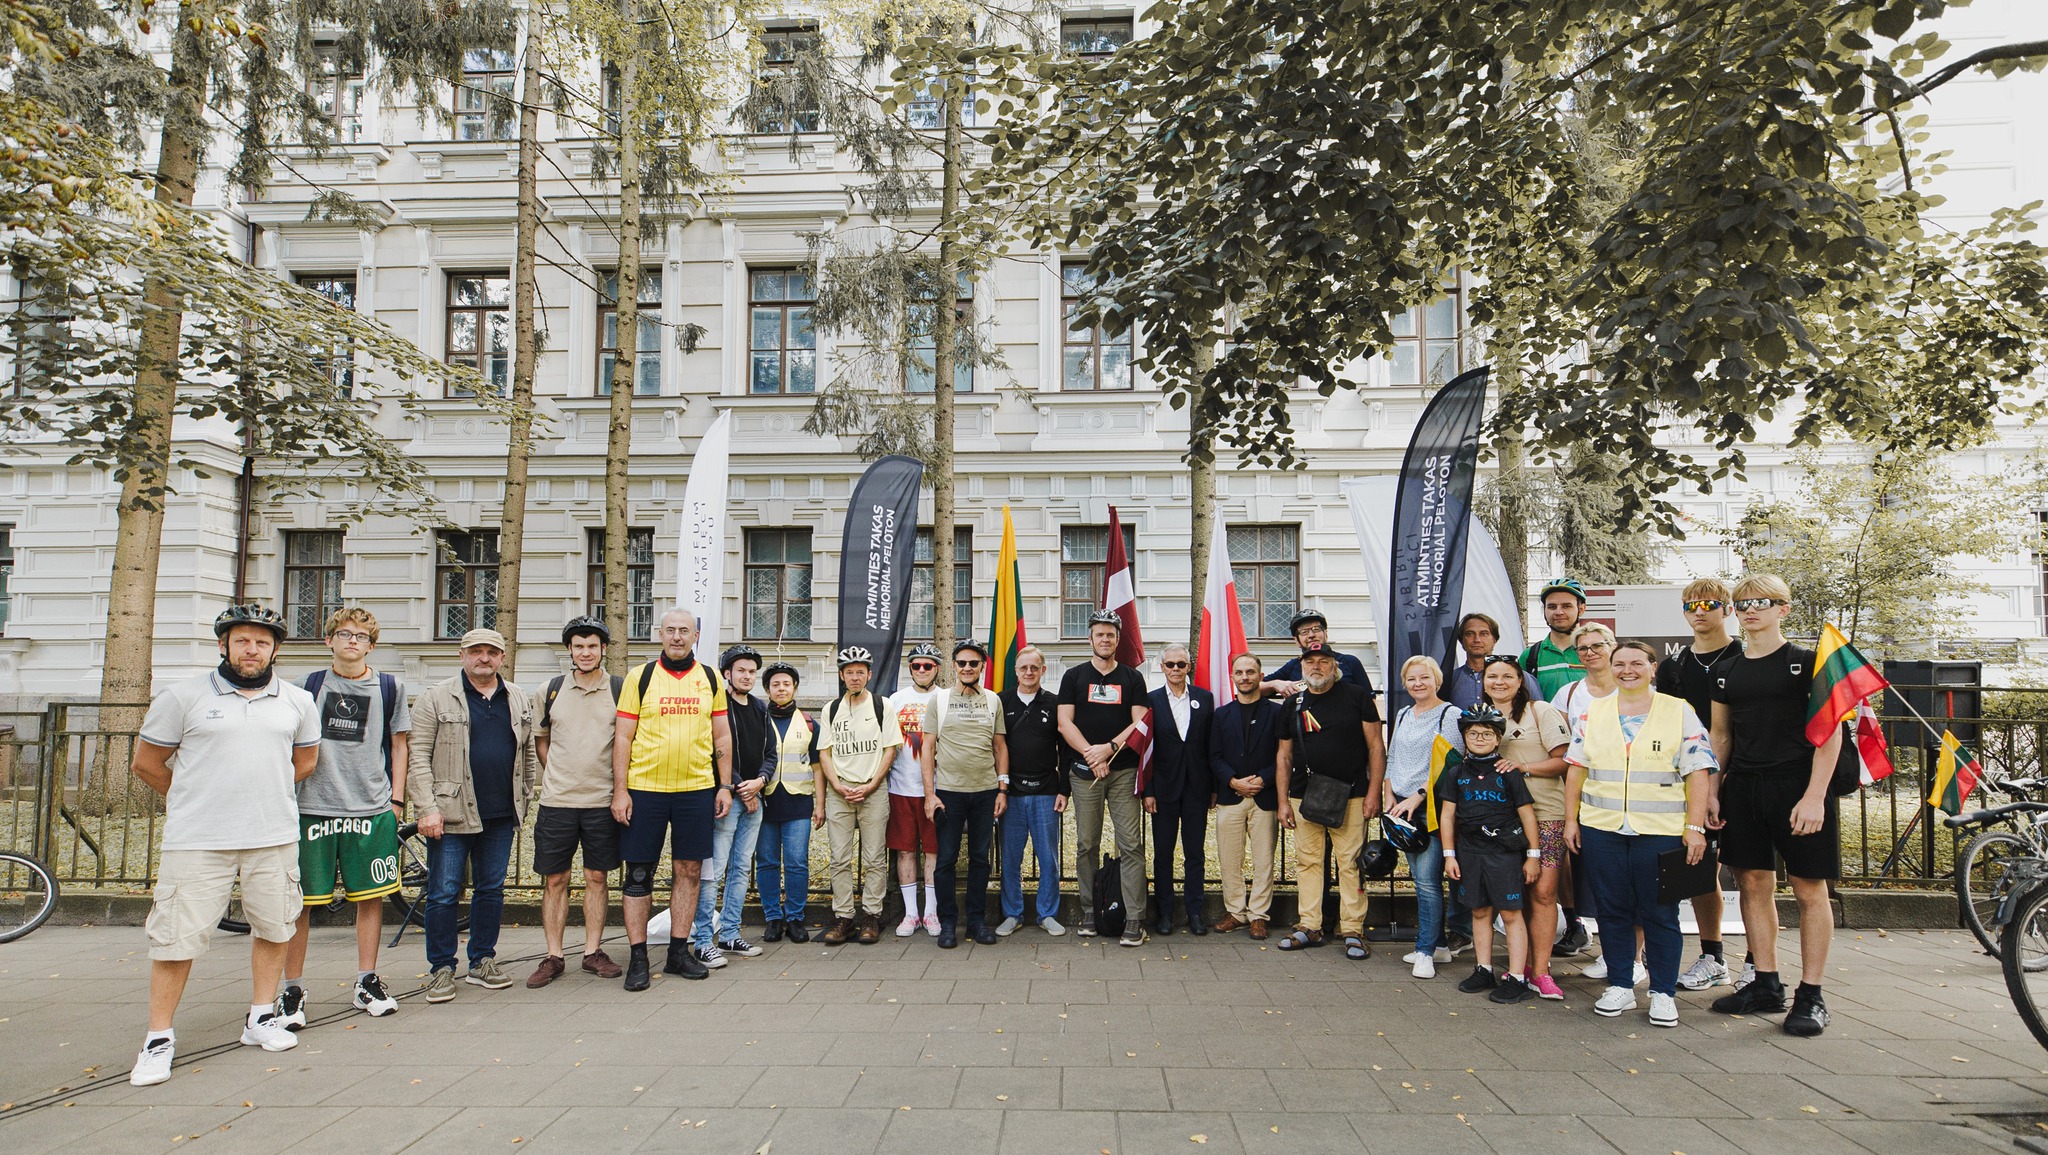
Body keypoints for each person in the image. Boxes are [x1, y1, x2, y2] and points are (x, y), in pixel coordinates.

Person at [128, 605, 320, 1087]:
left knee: (275, 927)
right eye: (242, 641)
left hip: (272, 836)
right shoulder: (183, 697)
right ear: (223, 645)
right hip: (198, 840)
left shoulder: (298, 701)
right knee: (176, 938)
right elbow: (147, 763)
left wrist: (260, 795)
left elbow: (304, 762)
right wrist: (195, 798)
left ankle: (261, 1016)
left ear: (275, 649)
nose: (251, 650)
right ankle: (158, 1039)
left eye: (261, 642)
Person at [1709, 574, 1843, 1037]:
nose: (1750, 610)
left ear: (1783, 608)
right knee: (1751, 883)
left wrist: (1815, 796)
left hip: (1799, 785)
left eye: (1761, 602)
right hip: (1745, 787)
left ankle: (1811, 994)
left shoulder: (1808, 663)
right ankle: (1765, 983)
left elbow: (1830, 734)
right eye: (1742, 603)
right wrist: (1713, 790)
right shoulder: (1726, 669)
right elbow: (1721, 735)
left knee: (1809, 889)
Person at [1564, 640, 1718, 1027]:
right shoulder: (1594, 712)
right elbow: (1576, 769)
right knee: (1611, 909)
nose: (1627, 670)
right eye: (1619, 664)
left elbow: (1698, 772)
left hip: (1660, 831)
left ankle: (1662, 993)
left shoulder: (1678, 711)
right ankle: (1620, 984)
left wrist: (1695, 827)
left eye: (1636, 663)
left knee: (1659, 913)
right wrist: (1571, 820)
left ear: (1653, 668)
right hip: (1603, 828)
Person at [277, 607, 411, 1025]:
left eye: (361, 636)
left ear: (371, 646)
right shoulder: (306, 687)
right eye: (344, 634)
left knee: (370, 898)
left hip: (370, 807)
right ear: (329, 640)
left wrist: (397, 800)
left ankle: (367, 980)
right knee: (300, 903)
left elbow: (400, 744)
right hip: (312, 808)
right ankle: (291, 990)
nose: (353, 641)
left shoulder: (389, 687)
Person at [407, 627, 542, 1003]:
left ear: (502, 658)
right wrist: (426, 809)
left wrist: (524, 797)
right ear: (462, 655)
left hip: (500, 812)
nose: (484, 658)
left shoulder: (516, 696)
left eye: (492, 652)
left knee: (491, 889)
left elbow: (528, 752)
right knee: (444, 892)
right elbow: (418, 756)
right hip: (450, 812)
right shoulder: (436, 697)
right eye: (476, 651)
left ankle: (482, 960)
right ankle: (441, 968)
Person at [613, 608, 734, 990]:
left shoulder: (710, 678)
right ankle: (638, 957)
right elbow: (622, 737)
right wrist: (620, 791)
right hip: (645, 789)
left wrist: (725, 785)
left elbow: (722, 736)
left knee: (690, 871)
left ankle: (678, 953)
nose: (677, 636)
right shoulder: (640, 677)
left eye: (684, 630)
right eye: (671, 630)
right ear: (659, 634)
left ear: (696, 635)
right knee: (638, 873)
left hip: (695, 789)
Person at [525, 616, 625, 988]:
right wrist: (558, 772)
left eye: (592, 646)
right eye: (579, 646)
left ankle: (592, 952)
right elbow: (541, 740)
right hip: (558, 801)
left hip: (602, 801)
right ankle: (554, 956)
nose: (586, 652)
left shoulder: (619, 689)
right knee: (555, 879)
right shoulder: (549, 690)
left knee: (597, 877)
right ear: (570, 649)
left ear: (603, 649)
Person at [1655, 579, 1743, 992]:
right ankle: (1713, 956)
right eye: (1691, 606)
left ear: (1727, 609)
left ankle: (1759, 965)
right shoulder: (1674, 666)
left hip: (1744, 774)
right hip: (1692, 778)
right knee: (1701, 869)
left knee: (1752, 874)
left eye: (1709, 604)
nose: (1699, 612)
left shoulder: (1745, 657)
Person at [1275, 640, 1386, 961]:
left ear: (1334, 665)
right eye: (1310, 662)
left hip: (1352, 795)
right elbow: (1283, 756)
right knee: (1308, 862)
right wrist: (1283, 801)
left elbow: (1376, 747)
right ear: (1301, 666)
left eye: (1324, 661)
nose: (1317, 667)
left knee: (1350, 864)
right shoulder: (1293, 703)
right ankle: (1309, 925)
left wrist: (1374, 792)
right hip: (1304, 796)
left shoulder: (1357, 696)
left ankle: (1352, 929)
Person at [1057, 609, 1152, 946]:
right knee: (1086, 843)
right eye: (1099, 634)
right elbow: (1064, 723)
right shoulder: (1073, 676)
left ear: (1118, 639)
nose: (1105, 639)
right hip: (1085, 774)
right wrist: (1091, 754)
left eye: (1110, 634)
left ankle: (1134, 917)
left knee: (1131, 844)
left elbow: (1139, 722)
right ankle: (1089, 910)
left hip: (1123, 771)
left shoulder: (1132, 678)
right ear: (1090, 639)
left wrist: (1108, 749)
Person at [1482, 655, 1572, 999]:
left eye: (1507, 676)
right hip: (1500, 818)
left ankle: (1542, 970)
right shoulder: (1479, 715)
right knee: (1511, 893)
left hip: (1546, 812)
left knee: (1544, 892)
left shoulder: (1540, 711)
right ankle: (1518, 966)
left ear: (1521, 681)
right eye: (1492, 676)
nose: (1499, 682)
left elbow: (1565, 760)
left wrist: (1523, 767)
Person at [1438, 705, 1541, 1004]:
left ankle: (1517, 977)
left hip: (1503, 852)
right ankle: (1483, 969)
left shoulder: (1507, 772)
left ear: (1498, 739)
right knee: (1479, 911)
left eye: (1487, 734)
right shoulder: (1456, 773)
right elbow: (1448, 816)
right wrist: (1449, 855)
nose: (1479, 739)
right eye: (1473, 734)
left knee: (1510, 913)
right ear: (1464, 737)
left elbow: (1527, 815)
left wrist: (1533, 856)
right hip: (1470, 852)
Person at [690, 645, 773, 969]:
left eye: (752, 671)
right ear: (727, 673)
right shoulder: (717, 706)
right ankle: (702, 942)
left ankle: (730, 934)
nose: (747, 676)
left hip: (754, 799)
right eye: (741, 670)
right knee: (714, 871)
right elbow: (715, 751)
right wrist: (740, 787)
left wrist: (760, 782)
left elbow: (771, 753)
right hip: (726, 800)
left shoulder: (760, 708)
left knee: (741, 870)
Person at [923, 639, 1009, 947]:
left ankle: (976, 921)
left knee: (980, 859)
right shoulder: (939, 700)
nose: (968, 668)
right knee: (946, 860)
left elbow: (1000, 747)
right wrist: (930, 795)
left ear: (982, 666)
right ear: (954, 666)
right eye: (962, 663)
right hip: (949, 792)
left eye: (974, 663)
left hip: (985, 791)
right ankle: (948, 923)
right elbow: (927, 748)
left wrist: (1002, 788)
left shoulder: (993, 700)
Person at [1382, 656, 1463, 978]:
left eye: (1424, 677)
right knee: (1419, 879)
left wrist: (1419, 795)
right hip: (1401, 808)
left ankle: (1425, 951)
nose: (1418, 683)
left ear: (1436, 681)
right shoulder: (1403, 714)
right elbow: (1393, 756)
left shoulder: (1450, 715)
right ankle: (1439, 945)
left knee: (1428, 883)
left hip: (1430, 807)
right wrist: (1389, 793)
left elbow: (1453, 765)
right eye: (1412, 678)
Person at [819, 645, 904, 946]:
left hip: (873, 790)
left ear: (869, 674)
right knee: (839, 858)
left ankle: (871, 915)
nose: (855, 677)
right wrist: (837, 785)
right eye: (849, 672)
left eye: (860, 672)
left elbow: (890, 750)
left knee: (874, 858)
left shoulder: (882, 706)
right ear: (841, 676)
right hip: (839, 791)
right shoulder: (831, 709)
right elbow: (825, 753)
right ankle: (843, 917)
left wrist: (871, 784)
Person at [1553, 618, 1621, 971]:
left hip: (1626, 795)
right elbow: (1562, 749)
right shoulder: (1568, 694)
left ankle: (1627, 956)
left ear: (1613, 647)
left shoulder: (1632, 689)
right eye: (1583, 648)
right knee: (1590, 874)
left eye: (1597, 645)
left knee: (1622, 876)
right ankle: (1593, 937)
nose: (1590, 652)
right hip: (1583, 794)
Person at [1210, 652, 1287, 940]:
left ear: (1260, 676)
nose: (1245, 677)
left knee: (1264, 860)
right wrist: (1232, 781)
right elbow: (1214, 756)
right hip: (1231, 796)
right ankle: (1236, 912)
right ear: (1232, 677)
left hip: (1265, 796)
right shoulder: (1221, 715)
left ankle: (1258, 916)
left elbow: (1284, 754)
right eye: (1240, 672)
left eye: (1250, 672)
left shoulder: (1277, 713)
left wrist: (1264, 778)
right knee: (1230, 859)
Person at [996, 646, 1068, 937]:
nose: (1029, 672)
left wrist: (1064, 790)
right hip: (1011, 792)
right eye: (1023, 667)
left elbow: (1065, 749)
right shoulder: (1001, 701)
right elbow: (995, 747)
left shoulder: (1055, 703)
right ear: (1016, 671)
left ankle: (1047, 914)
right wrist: (999, 788)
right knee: (1010, 858)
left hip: (1046, 790)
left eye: (1034, 668)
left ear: (1043, 670)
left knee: (1048, 858)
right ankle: (1012, 914)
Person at [1144, 643, 1215, 936]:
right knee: (1163, 854)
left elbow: (1211, 745)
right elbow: (1146, 750)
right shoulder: (1150, 701)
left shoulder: (1204, 698)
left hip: (1197, 788)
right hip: (1163, 790)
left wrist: (1213, 788)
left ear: (1189, 667)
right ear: (1162, 667)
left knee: (1195, 853)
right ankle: (1165, 913)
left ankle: (1195, 912)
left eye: (1181, 664)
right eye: (1170, 664)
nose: (1175, 669)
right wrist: (1148, 791)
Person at [756, 662, 822, 944]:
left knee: (796, 863)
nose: (781, 689)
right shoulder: (757, 720)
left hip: (798, 803)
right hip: (764, 803)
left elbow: (818, 766)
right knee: (767, 862)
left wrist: (820, 804)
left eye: (786, 684)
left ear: (794, 688)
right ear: (767, 690)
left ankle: (795, 917)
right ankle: (773, 917)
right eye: (775, 685)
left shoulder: (808, 723)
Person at [886, 643, 944, 937]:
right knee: (905, 850)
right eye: (916, 665)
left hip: (937, 789)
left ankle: (931, 913)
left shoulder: (946, 698)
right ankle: (911, 914)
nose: (922, 670)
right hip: (901, 786)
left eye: (928, 665)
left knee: (934, 851)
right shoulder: (895, 700)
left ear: (937, 669)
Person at [1260, 608, 1372, 696]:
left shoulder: (1350, 662)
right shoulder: (1293, 666)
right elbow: (1255, 687)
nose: (1311, 635)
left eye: (1316, 629)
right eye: (1304, 632)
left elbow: (1369, 701)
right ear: (1297, 641)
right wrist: (1274, 684)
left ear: (1326, 634)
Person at [1445, 613, 1541, 709]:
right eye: (1470, 634)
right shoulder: (1449, 681)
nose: (1477, 639)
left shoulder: (1520, 678)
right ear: (1461, 640)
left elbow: (1539, 711)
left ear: (1494, 639)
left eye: (1484, 634)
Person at [1522, 579, 1590, 700]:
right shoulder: (1530, 656)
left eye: (1566, 606)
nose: (1559, 612)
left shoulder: (1595, 652)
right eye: (1552, 607)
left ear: (1581, 609)